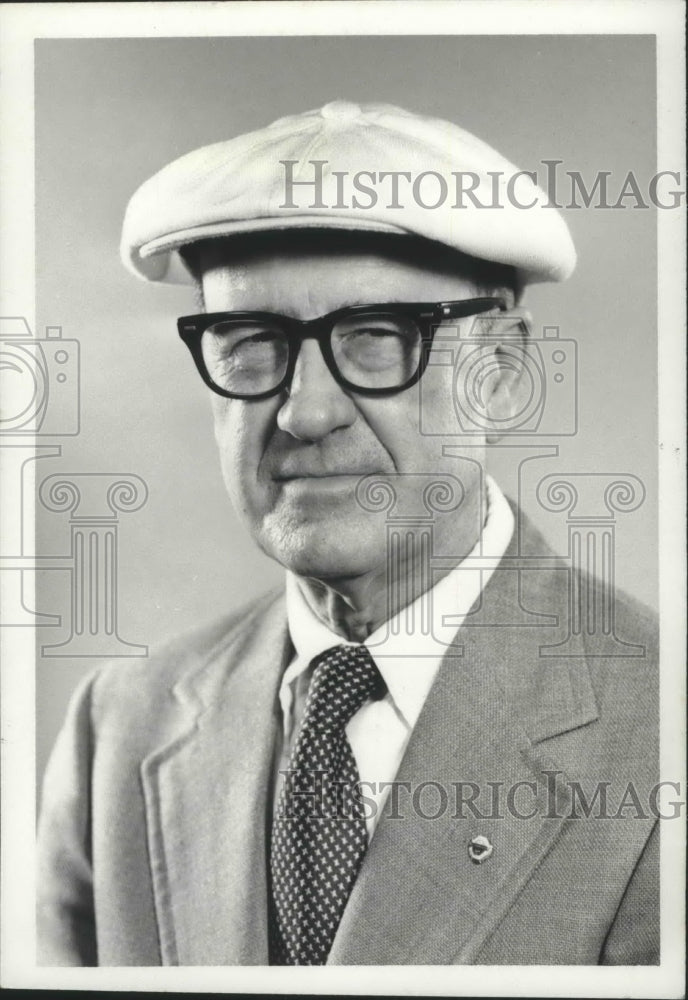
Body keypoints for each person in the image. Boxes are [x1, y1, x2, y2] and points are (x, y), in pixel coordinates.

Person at [38, 101, 658, 967]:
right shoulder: (122, 724)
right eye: (251, 342)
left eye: (375, 338)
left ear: (504, 371)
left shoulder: (663, 726)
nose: (303, 409)